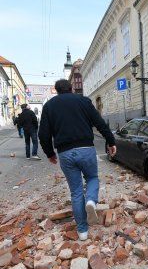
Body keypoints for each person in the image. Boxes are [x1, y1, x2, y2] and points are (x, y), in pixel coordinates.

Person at [38, 79, 116, 241]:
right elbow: (99, 123)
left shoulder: (49, 106)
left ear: (56, 90)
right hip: (86, 149)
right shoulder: (83, 101)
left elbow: (43, 134)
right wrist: (111, 141)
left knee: (76, 191)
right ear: (71, 88)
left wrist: (49, 153)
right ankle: (92, 201)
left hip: (65, 153)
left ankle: (82, 231)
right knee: (93, 178)